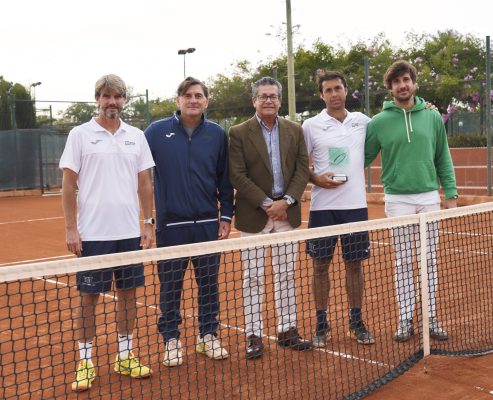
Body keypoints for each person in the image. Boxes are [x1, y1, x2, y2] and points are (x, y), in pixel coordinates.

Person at [60, 74, 154, 392]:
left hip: (128, 233)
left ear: (124, 100)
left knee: (128, 296)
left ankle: (124, 356)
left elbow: (144, 183)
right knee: (88, 299)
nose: (111, 101)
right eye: (106, 96)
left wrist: (148, 223)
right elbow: (68, 183)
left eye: (117, 96)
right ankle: (85, 362)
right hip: (92, 236)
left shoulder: (136, 136)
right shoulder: (80, 135)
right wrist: (72, 228)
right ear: (97, 98)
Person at [364, 60, 457, 342]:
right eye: (396, 82)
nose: (402, 85)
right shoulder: (378, 123)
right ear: (390, 88)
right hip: (397, 199)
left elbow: (443, 156)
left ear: (414, 83)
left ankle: (430, 316)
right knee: (404, 261)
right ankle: (405, 319)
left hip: (429, 196)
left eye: (406, 80)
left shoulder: (432, 117)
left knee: (429, 260)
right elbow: (362, 159)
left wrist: (450, 195)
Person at [144, 77, 233, 367]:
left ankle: (208, 336)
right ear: (178, 100)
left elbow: (224, 179)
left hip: (208, 224)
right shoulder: (155, 133)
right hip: (170, 227)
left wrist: (226, 215)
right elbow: (140, 176)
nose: (193, 100)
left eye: (199, 95)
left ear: (206, 100)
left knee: (209, 285)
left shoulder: (218, 135)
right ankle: (171, 339)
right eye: (188, 95)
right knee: (170, 287)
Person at [229, 76, 312, 359]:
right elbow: (237, 174)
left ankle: (287, 330)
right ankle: (254, 335)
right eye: (263, 96)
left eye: (273, 96)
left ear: (279, 100)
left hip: (287, 214)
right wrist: (267, 204)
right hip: (254, 215)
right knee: (252, 277)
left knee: (287, 274)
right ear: (254, 101)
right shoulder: (239, 133)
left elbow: (302, 169)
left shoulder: (295, 130)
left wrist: (286, 201)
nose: (268, 101)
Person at [302, 71, 375, 348]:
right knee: (320, 267)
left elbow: (390, 122)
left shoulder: (364, 122)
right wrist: (315, 179)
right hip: (323, 209)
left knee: (354, 266)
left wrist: (425, 105)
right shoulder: (311, 125)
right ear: (322, 95)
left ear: (346, 91)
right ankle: (322, 323)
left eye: (338, 88)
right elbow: (299, 162)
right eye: (328, 90)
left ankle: (356, 322)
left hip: (356, 207)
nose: (334, 94)